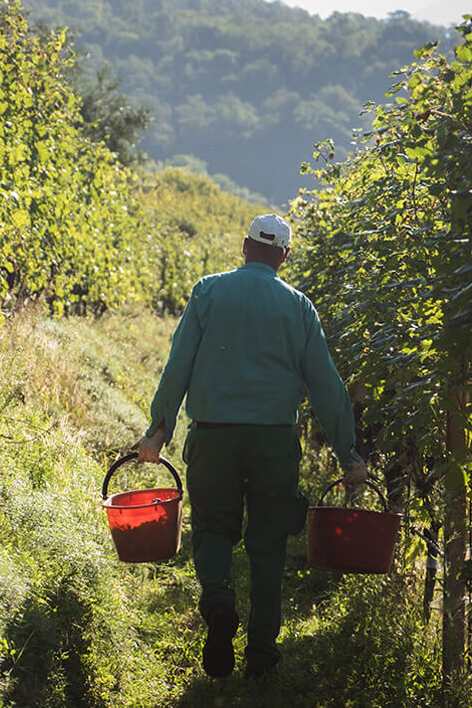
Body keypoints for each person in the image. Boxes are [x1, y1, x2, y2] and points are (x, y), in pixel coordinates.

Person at [133, 212, 366, 680]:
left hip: (213, 436)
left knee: (214, 530)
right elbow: (326, 386)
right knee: (267, 543)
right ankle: (262, 657)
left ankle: (219, 603)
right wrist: (349, 455)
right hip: (274, 442)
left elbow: (177, 365)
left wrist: (159, 430)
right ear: (284, 255)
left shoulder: (208, 291)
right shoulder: (299, 307)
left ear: (244, 247)